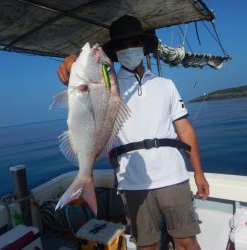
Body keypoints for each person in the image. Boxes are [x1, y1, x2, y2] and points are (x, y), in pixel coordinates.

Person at [57, 15, 209, 250]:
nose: (129, 49)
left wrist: (198, 173)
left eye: (134, 42)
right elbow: (84, 79)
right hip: (132, 182)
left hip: (174, 177)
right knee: (145, 246)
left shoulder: (165, 84)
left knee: (187, 241)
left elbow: (185, 130)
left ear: (144, 46)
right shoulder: (109, 84)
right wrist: (71, 62)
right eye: (122, 45)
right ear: (115, 53)